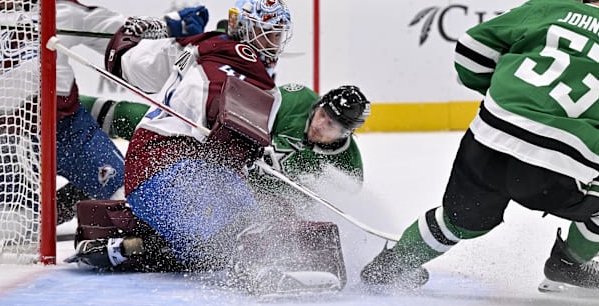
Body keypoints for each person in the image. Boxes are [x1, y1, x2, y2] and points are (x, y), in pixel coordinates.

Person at [360, 0, 599, 293]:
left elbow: (471, 51)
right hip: (555, 173)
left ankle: (391, 266)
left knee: (458, 220)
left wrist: (502, 91)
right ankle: (568, 263)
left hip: (487, 145)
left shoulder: (545, 9)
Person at [0, 0, 211, 225]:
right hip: (9, 139)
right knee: (0, 223)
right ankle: (48, 210)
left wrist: (169, 27)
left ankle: (75, 203)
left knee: (129, 202)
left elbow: (112, 31)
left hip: (69, 131)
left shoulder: (59, 7)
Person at [67, 0, 292, 276]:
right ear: (247, 30)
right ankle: (134, 247)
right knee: (221, 247)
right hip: (166, 167)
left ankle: (130, 246)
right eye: (269, 33)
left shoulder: (194, 47)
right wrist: (248, 148)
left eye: (278, 34)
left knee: (252, 220)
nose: (275, 43)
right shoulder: (245, 68)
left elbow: (121, 61)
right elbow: (221, 113)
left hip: (157, 162)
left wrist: (159, 29)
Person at [67, 83, 371, 294]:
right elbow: (247, 113)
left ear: (347, 133)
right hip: (227, 170)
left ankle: (129, 247)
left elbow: (321, 201)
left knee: (211, 248)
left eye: (331, 125)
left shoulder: (347, 166)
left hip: (260, 198)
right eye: (322, 115)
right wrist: (250, 149)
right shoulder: (296, 100)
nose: (320, 125)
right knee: (157, 127)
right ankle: (75, 110)